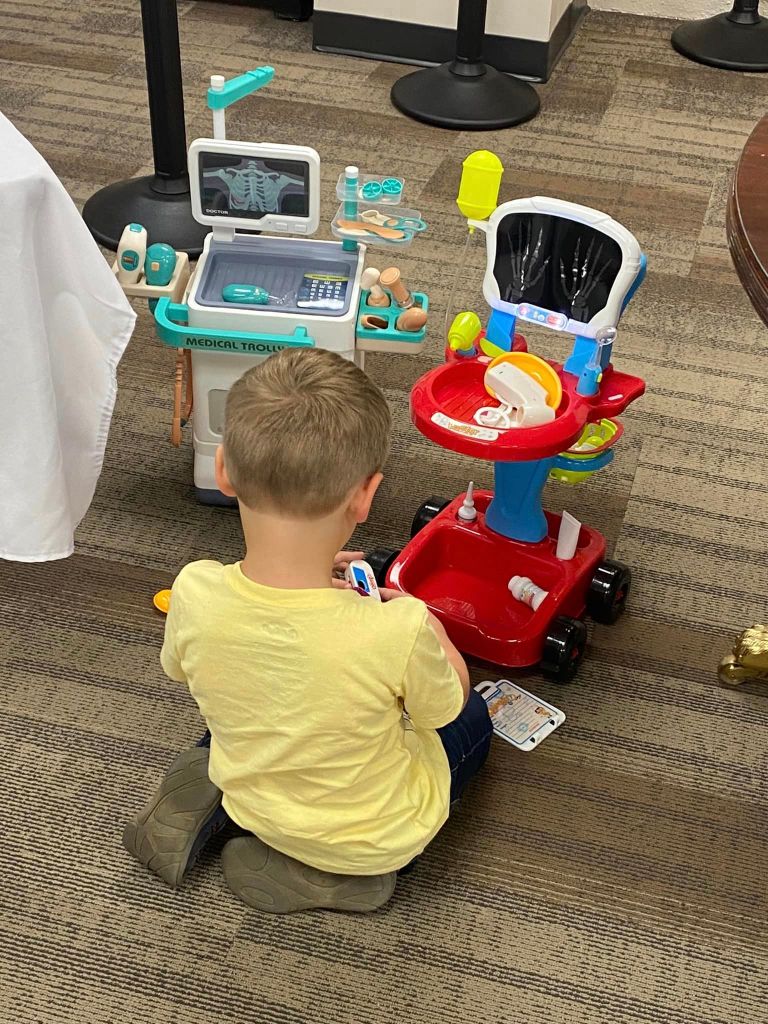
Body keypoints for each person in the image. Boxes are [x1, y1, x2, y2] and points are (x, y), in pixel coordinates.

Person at [123, 348, 492, 913]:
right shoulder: (399, 627)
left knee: (258, 697)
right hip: (370, 835)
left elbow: (183, 668)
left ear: (223, 469)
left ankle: (217, 799)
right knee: (474, 721)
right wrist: (438, 639)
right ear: (366, 495)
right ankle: (340, 873)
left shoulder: (195, 589)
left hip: (255, 789)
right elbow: (443, 707)